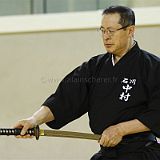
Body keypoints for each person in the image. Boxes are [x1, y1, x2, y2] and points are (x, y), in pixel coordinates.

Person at [14, 5, 160, 160]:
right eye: (102, 30)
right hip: (107, 154)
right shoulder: (94, 67)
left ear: (130, 30)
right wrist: (33, 120)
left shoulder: (152, 67)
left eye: (111, 31)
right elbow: (64, 98)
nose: (106, 37)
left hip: (141, 153)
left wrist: (121, 129)